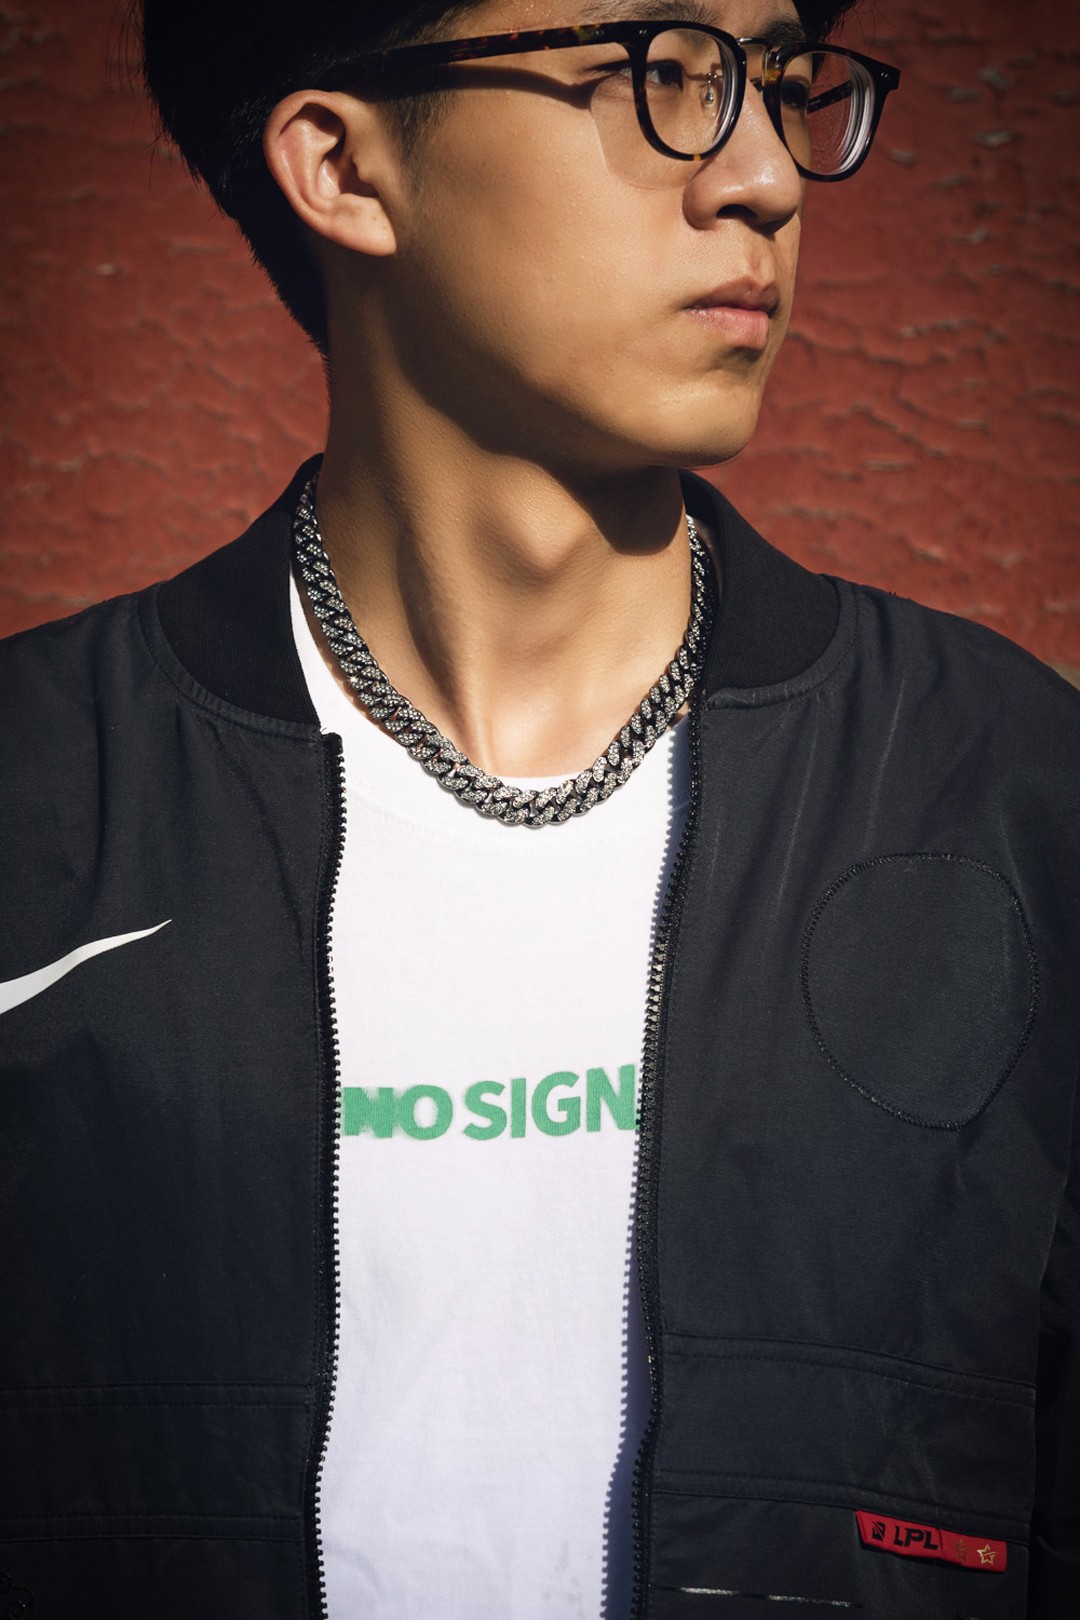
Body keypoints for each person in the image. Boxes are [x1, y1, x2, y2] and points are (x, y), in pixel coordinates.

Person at [1, 0, 1077, 1615]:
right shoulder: (37, 803)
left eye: (782, 83)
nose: (768, 176)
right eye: (667, 77)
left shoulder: (1013, 796)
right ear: (342, 167)